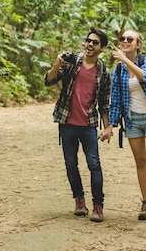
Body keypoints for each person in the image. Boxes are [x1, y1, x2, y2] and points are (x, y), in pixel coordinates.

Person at [99, 29, 146, 226]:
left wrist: (125, 59)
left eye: (130, 39)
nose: (125, 41)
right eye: (123, 39)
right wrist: (110, 125)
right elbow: (117, 99)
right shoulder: (119, 70)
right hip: (132, 120)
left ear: (138, 44)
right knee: (140, 161)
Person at [45, 27, 111, 223]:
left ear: (102, 48)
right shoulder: (72, 61)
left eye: (95, 42)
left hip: (88, 124)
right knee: (70, 164)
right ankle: (79, 201)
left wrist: (107, 127)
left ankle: (98, 206)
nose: (90, 44)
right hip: (67, 122)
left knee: (94, 164)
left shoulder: (103, 71)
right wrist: (57, 64)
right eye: (88, 41)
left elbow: (104, 102)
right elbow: (49, 81)